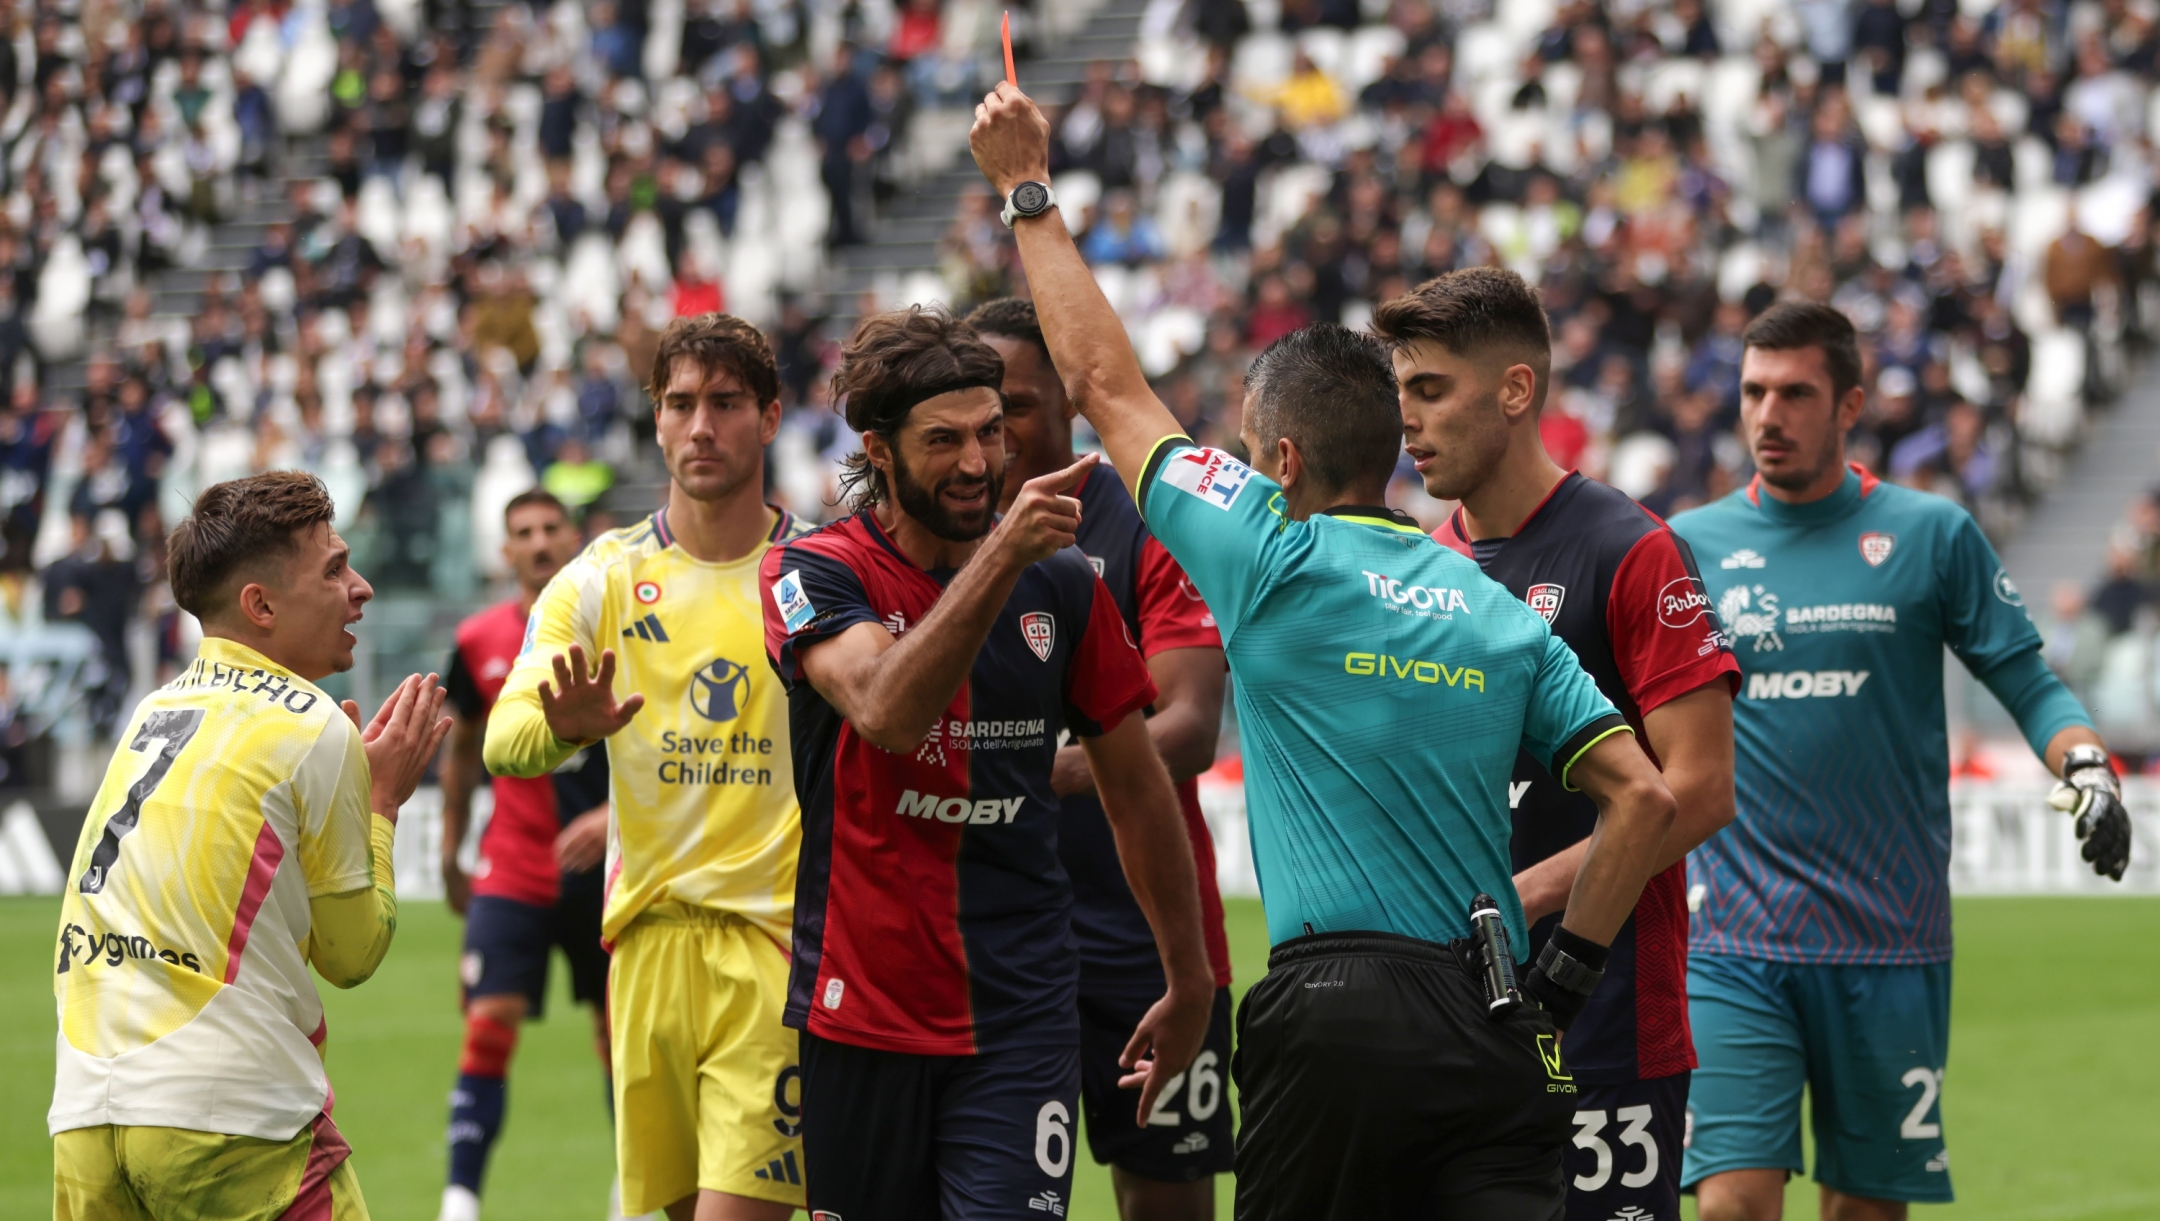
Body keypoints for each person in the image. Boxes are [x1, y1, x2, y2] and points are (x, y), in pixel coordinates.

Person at [971, 83, 1681, 1218]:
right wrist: (1564, 978)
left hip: (1330, 1007)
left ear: (1283, 461)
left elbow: (1104, 384)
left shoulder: (1268, 550)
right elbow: (1644, 800)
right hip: (1491, 1016)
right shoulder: (1499, 606)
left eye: (1253, 454)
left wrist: (1026, 191)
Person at [1667, 302, 2133, 1221]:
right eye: (1755, 392)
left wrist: (2087, 767)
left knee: (1865, 1211)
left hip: (1889, 935)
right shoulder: (1690, 545)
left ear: (1850, 405)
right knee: (1729, 1202)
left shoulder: (1933, 535)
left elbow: (2027, 679)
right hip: (1731, 937)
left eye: (1795, 393)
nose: (1768, 415)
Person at [759, 305, 1215, 1221]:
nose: (977, 462)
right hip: (864, 1012)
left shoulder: (1064, 587)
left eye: (990, 432)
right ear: (879, 448)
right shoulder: (812, 571)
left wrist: (1190, 974)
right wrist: (1003, 553)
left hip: (1021, 1010)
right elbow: (886, 710)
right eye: (943, 440)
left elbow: (1136, 786)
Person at [1381, 267, 1741, 1221]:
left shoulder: (1632, 550)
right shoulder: (1425, 565)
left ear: (1514, 390)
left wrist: (1523, 896)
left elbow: (1701, 789)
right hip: (1453, 1022)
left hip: (1606, 1020)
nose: (1407, 422)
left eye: (1430, 390)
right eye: (1400, 393)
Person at [50, 470, 450, 1220]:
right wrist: (384, 804)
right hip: (226, 1115)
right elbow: (351, 953)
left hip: (84, 1112)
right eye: (333, 568)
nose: (360, 586)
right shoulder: (315, 726)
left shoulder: (153, 710)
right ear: (260, 605)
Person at [484, 314, 809, 1221]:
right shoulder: (602, 577)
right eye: (680, 404)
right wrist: (562, 729)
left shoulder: (817, 567)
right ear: (656, 421)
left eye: (727, 402)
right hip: (645, 948)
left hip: (773, 947)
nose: (701, 425)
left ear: (771, 417)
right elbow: (503, 737)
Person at [968, 297, 1237, 1219]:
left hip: (1148, 938)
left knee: (1167, 1202)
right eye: (974, 409)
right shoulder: (928, 546)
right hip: (990, 933)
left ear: (1070, 409)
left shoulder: (1147, 527)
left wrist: (1035, 773)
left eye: (1016, 405)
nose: (993, 434)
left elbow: (1192, 725)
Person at [434, 488, 614, 1221]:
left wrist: (614, 814)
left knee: (621, 1034)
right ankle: (460, 1200)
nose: (539, 542)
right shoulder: (477, 639)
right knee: (490, 1015)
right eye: (523, 533)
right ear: (504, 551)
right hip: (513, 862)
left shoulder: (621, 624)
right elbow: (462, 750)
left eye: (550, 528)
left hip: (608, 866)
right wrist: (450, 850)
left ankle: (631, 1187)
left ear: (573, 536)